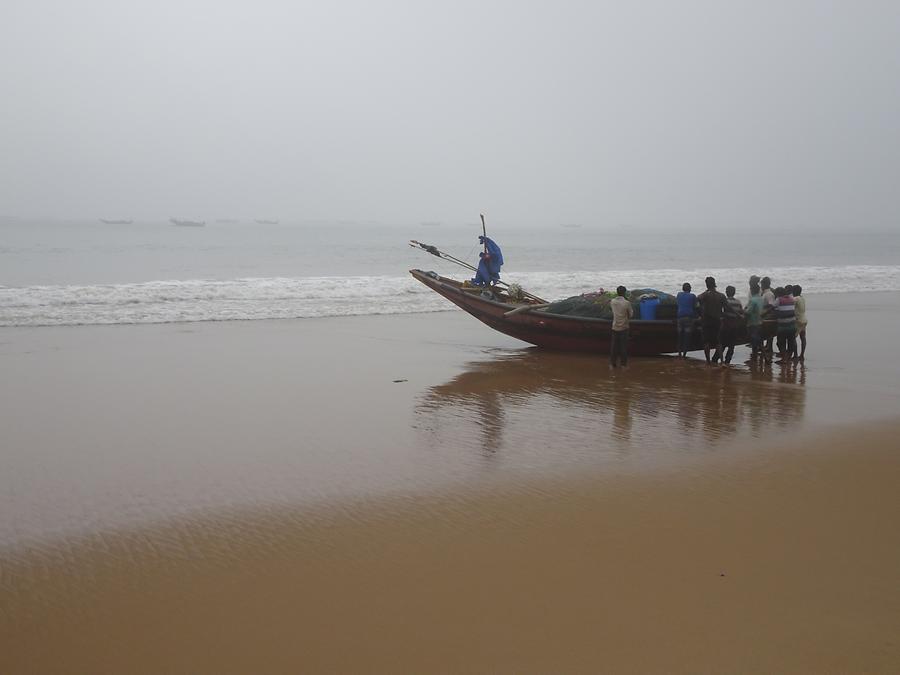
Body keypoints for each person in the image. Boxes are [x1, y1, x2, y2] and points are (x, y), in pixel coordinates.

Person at [697, 276, 726, 364]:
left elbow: (697, 300)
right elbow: (727, 307)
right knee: (718, 341)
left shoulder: (705, 295)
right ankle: (722, 361)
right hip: (717, 321)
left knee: (706, 342)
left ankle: (708, 361)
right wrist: (738, 315)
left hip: (706, 321)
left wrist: (700, 314)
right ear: (714, 284)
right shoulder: (721, 295)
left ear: (707, 284)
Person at [609, 285, 633, 368]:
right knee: (623, 347)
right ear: (624, 293)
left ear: (617, 292)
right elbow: (631, 315)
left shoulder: (612, 302)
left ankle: (612, 364)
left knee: (614, 347)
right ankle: (623, 365)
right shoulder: (627, 303)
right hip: (624, 327)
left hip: (615, 327)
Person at [720, 285, 744, 364]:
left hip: (726, 325)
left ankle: (717, 359)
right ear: (734, 293)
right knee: (731, 345)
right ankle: (727, 361)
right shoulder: (738, 302)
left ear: (727, 292)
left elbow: (721, 313)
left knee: (722, 344)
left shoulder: (725, 301)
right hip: (735, 326)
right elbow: (741, 313)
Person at [773, 286, 797, 363]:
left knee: (780, 342)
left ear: (778, 294)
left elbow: (772, 307)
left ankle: (784, 358)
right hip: (792, 325)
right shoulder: (792, 299)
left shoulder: (779, 299)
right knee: (791, 342)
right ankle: (788, 358)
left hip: (783, 326)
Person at [675, 282, 697, 358]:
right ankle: (684, 354)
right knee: (686, 337)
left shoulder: (679, 295)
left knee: (680, 336)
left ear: (683, 289)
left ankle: (679, 353)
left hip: (680, 317)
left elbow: (678, 304)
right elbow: (695, 306)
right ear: (690, 289)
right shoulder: (693, 296)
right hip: (688, 318)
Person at [744, 283, 765, 361]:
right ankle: (759, 356)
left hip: (753, 322)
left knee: (754, 341)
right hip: (760, 321)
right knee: (758, 340)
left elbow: (748, 312)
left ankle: (756, 356)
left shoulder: (752, 300)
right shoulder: (761, 299)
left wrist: (743, 311)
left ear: (752, 290)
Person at [793, 284, 807, 361]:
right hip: (804, 320)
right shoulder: (802, 298)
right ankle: (802, 355)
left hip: (798, 321)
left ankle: (795, 355)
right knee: (803, 337)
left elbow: (791, 308)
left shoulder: (795, 299)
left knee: (793, 338)